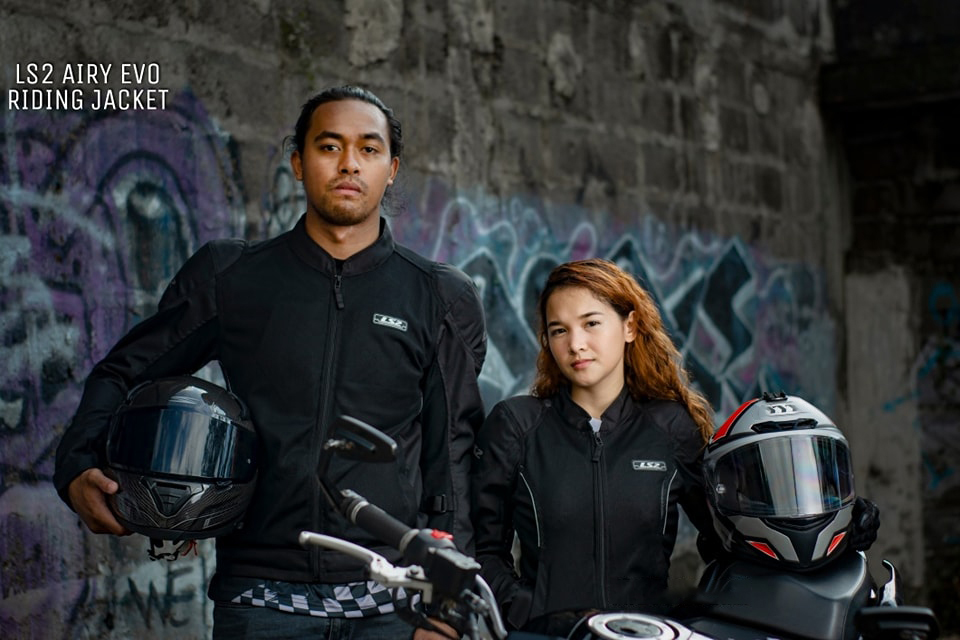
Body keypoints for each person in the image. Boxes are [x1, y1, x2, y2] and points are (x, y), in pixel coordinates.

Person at [54, 85, 487, 640]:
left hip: (394, 604)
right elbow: (124, 372)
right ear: (298, 163)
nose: (349, 164)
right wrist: (77, 465)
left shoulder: (438, 296)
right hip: (259, 599)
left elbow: (452, 457)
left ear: (392, 169)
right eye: (329, 146)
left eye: (368, 149)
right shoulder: (232, 277)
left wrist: (447, 605)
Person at [471, 258, 717, 630]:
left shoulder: (671, 428)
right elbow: (482, 548)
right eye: (559, 330)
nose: (576, 344)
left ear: (630, 326)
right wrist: (528, 612)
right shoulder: (516, 426)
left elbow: (724, 541)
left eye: (591, 323)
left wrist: (689, 619)